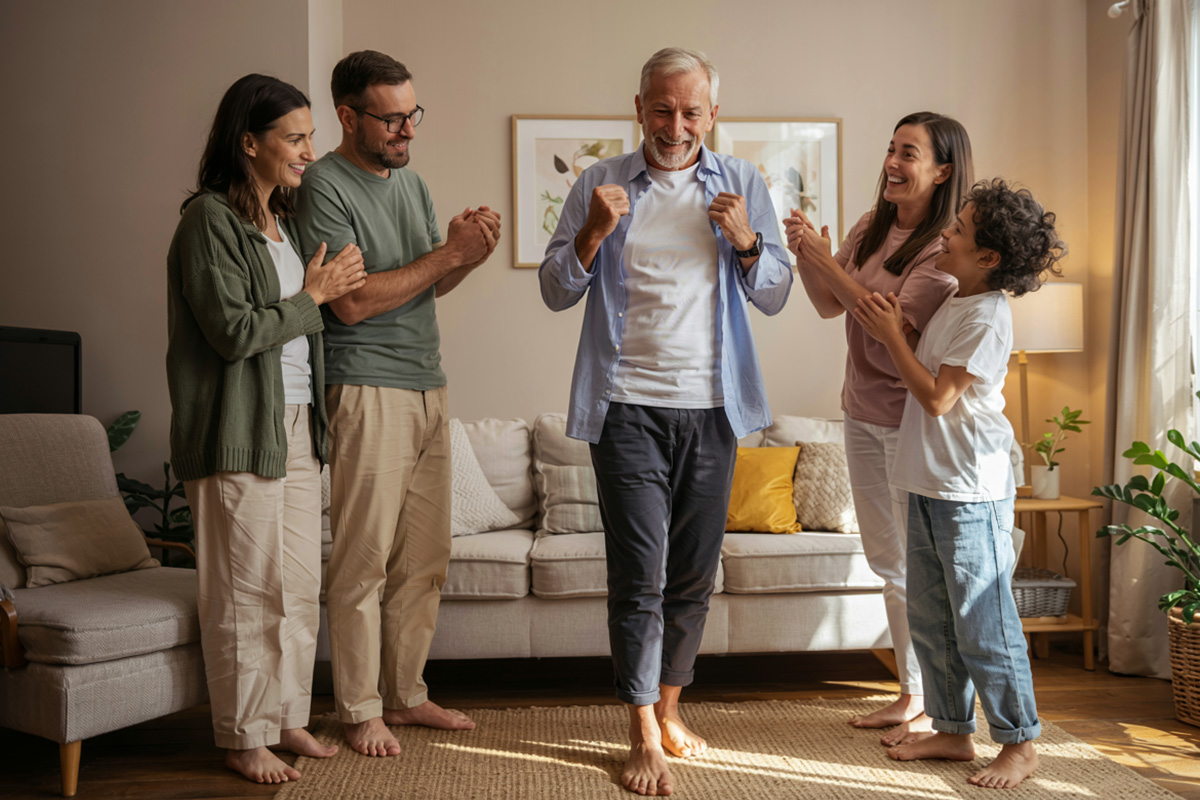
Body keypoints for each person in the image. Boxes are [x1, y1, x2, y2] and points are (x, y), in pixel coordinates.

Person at [539, 47, 792, 797]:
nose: (675, 125)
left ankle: (671, 706)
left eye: (690, 111)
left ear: (713, 114)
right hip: (626, 411)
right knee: (638, 577)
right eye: (661, 109)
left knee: (692, 575)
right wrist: (590, 232)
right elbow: (556, 289)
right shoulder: (600, 183)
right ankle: (642, 728)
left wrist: (748, 241)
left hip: (714, 411)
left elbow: (775, 292)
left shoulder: (742, 182)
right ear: (639, 106)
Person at [294, 50, 500, 758]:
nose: (407, 129)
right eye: (391, 118)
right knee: (363, 559)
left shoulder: (409, 186)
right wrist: (445, 256)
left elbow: (418, 285)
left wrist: (465, 253)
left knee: (425, 556)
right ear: (348, 117)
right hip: (364, 387)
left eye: (412, 113)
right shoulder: (322, 186)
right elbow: (349, 303)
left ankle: (406, 696)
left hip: (426, 384)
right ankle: (358, 708)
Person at [166, 73, 367, 784]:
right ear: (248, 142)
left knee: (296, 584)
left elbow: (294, 328)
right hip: (238, 426)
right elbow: (229, 331)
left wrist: (319, 293)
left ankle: (285, 718)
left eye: (310, 136)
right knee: (245, 591)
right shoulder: (208, 221)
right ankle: (243, 734)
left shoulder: (281, 225)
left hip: (294, 425)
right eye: (295, 137)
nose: (309, 150)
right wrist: (314, 297)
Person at [854, 178, 1065, 789]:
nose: (945, 233)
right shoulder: (956, 297)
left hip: (970, 488)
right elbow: (931, 360)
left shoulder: (990, 316)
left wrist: (893, 336)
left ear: (989, 258)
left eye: (959, 230)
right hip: (927, 479)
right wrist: (901, 328)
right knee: (932, 615)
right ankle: (951, 729)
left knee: (982, 619)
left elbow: (939, 397)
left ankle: (1020, 741)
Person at [785, 112, 972, 745]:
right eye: (891, 149)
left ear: (941, 170)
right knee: (887, 560)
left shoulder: (945, 251)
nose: (892, 162)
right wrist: (807, 254)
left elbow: (877, 321)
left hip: (906, 421)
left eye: (909, 153)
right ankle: (911, 694)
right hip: (860, 411)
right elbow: (826, 302)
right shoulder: (872, 227)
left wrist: (820, 257)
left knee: (913, 566)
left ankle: (928, 700)